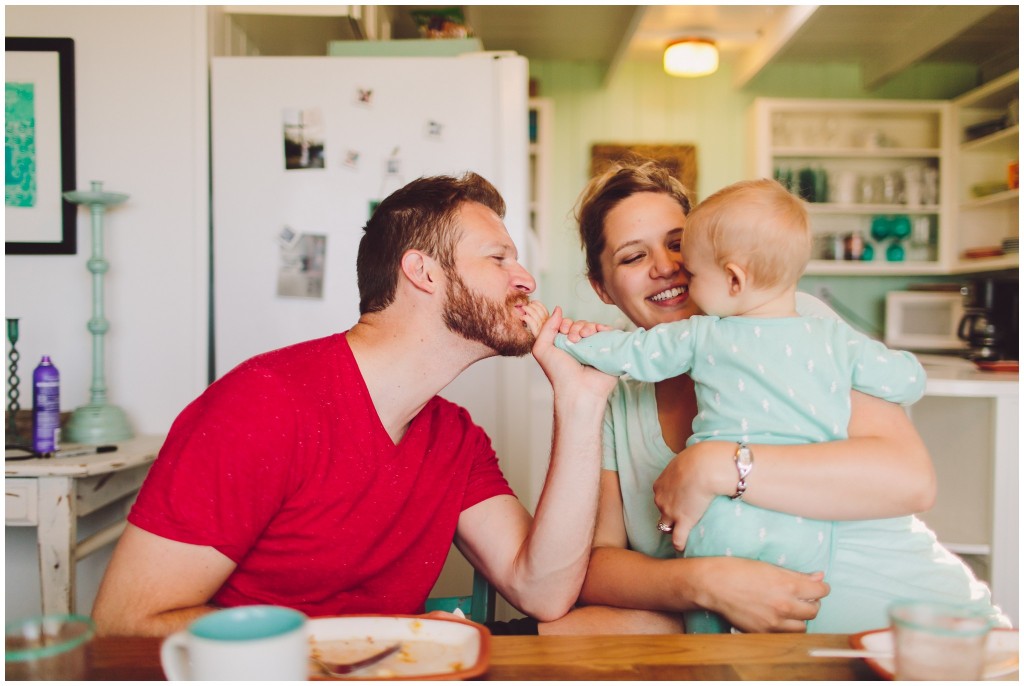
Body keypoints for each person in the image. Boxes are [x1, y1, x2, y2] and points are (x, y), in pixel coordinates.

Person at [91, 172, 650, 637]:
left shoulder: (453, 438)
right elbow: (125, 622)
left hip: (376, 670)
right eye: (499, 257)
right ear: (423, 272)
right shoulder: (263, 404)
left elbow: (544, 590)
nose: (525, 279)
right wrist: (376, 636)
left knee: (642, 626)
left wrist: (579, 403)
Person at [533, 177, 1008, 633]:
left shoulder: (793, 323)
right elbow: (594, 567)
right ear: (602, 288)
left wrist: (719, 465)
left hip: (907, 623)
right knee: (560, 636)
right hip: (763, 642)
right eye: (634, 256)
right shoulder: (617, 397)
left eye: (678, 243)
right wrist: (708, 584)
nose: (667, 266)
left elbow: (911, 480)